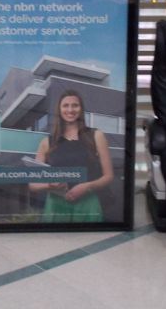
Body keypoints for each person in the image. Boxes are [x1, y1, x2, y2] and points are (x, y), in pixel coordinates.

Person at [30, 90, 114, 223]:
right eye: (65, 105)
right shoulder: (46, 142)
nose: (70, 110)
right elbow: (33, 184)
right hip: (55, 206)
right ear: (59, 109)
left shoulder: (96, 136)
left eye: (75, 105)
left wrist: (87, 186)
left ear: (81, 109)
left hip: (88, 204)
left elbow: (108, 176)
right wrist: (49, 185)